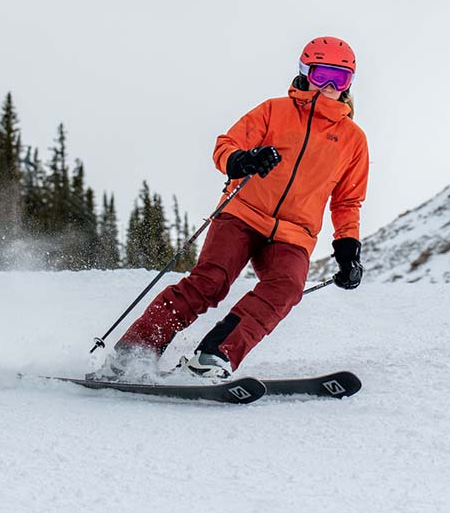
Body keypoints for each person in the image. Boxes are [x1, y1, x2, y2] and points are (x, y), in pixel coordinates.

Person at [93, 36, 369, 380]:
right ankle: (134, 353)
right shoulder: (274, 111)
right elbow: (226, 146)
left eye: (339, 79)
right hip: (242, 213)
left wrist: (347, 250)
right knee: (210, 282)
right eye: (321, 75)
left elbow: (347, 200)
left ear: (348, 85)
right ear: (304, 73)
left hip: (294, 234)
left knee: (285, 288)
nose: (328, 86)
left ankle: (214, 355)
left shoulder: (352, 139)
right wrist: (243, 160)